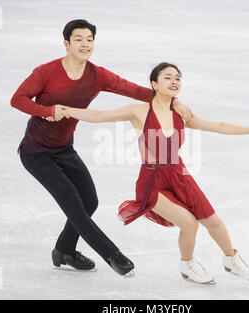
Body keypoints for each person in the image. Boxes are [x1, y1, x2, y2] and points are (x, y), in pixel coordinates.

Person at [52, 62, 249, 284]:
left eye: (177, 78)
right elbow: (98, 116)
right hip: (152, 179)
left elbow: (219, 126)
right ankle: (187, 264)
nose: (174, 81)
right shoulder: (139, 111)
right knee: (190, 224)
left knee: (213, 221)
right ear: (154, 84)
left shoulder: (182, 114)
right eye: (168, 77)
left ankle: (231, 258)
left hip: (179, 175)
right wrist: (65, 109)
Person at [10, 19, 192, 277]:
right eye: (79, 39)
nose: (85, 44)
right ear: (66, 44)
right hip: (36, 153)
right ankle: (112, 255)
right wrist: (46, 110)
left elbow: (134, 91)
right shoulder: (46, 72)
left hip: (64, 149)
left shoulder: (97, 76)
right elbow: (17, 99)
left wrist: (173, 101)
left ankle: (64, 250)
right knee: (73, 202)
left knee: (90, 201)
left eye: (89, 39)